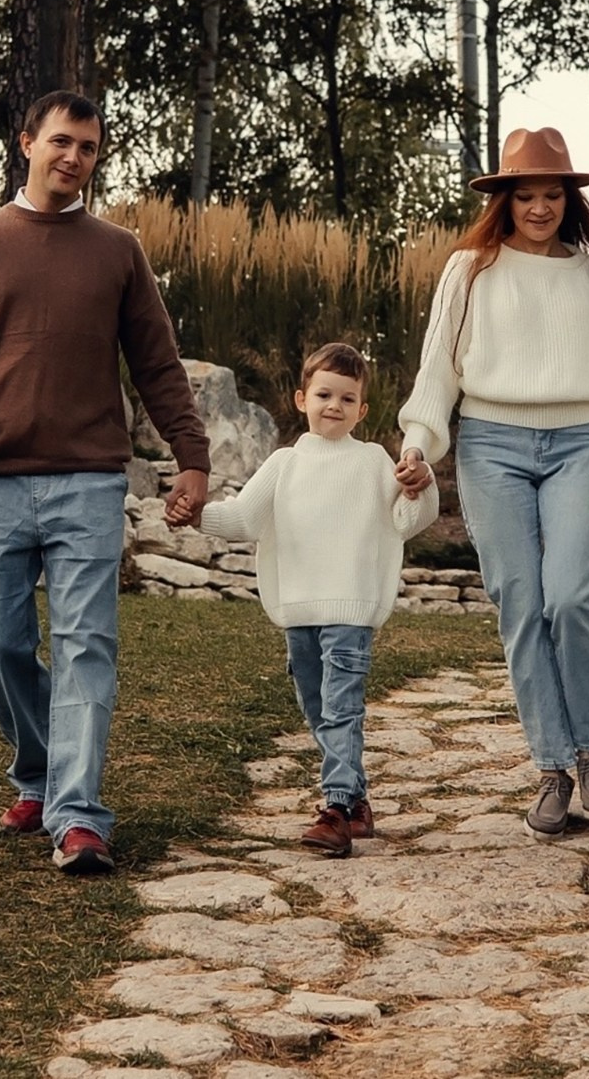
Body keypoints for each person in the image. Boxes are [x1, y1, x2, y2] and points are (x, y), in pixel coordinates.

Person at [0, 90, 211, 877]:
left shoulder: (118, 251)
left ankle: (77, 816)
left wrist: (192, 457)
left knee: (86, 646)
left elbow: (157, 366)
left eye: (90, 149)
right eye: (62, 143)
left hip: (88, 480)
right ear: (27, 142)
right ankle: (37, 769)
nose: (74, 159)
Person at [394, 126, 589, 840]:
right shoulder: (470, 269)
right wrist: (418, 444)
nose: (540, 207)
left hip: (578, 442)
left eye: (553, 195)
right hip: (490, 444)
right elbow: (437, 372)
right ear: (504, 201)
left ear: (569, 201)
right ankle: (553, 769)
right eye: (527, 196)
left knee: (570, 595)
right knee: (519, 598)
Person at [194, 343, 437, 857]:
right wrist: (195, 515)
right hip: (298, 613)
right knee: (318, 710)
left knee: (341, 709)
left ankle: (337, 808)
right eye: (324, 394)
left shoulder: (374, 462)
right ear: (301, 398)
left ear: (362, 410)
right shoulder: (285, 464)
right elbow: (242, 519)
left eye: (348, 398)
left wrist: (422, 487)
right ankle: (359, 803)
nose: (334, 405)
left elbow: (406, 521)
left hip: (350, 612)